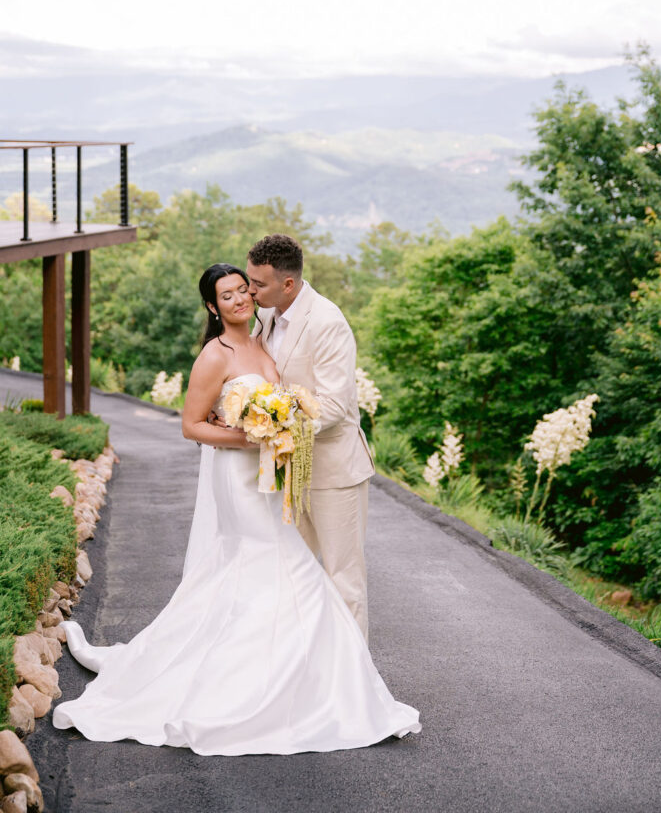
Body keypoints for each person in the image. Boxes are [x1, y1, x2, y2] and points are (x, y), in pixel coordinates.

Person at [53, 263, 420, 755]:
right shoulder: (215, 354)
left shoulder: (263, 338)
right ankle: (268, 688)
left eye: (243, 290)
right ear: (212, 307)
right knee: (277, 563)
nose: (240, 300)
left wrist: (277, 431)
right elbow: (191, 425)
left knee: (274, 569)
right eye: (226, 296)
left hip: (268, 476)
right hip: (238, 474)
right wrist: (250, 436)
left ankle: (301, 679)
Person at [244, 234, 374, 640]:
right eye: (249, 280)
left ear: (288, 284)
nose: (249, 291)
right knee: (291, 571)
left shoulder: (328, 322)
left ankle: (355, 686)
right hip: (288, 470)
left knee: (342, 578)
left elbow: (334, 406)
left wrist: (272, 421)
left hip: (334, 472)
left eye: (258, 284)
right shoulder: (266, 314)